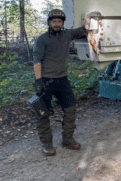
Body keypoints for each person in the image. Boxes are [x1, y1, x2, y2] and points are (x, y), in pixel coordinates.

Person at [33, 9, 90, 156]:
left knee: (70, 109)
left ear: (62, 23)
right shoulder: (42, 39)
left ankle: (68, 140)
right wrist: (38, 81)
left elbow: (84, 29)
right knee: (42, 113)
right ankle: (47, 145)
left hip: (62, 79)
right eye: (54, 21)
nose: (57, 24)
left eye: (59, 21)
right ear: (49, 23)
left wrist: (90, 15)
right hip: (45, 80)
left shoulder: (67, 34)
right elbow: (37, 61)